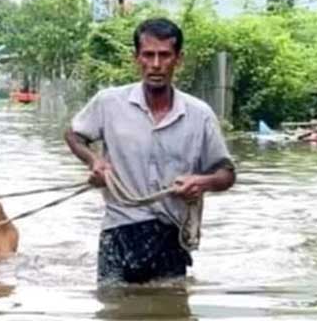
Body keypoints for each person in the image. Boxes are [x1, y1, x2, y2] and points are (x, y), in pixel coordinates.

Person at [64, 18, 236, 284]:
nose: (156, 64)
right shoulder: (109, 103)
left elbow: (226, 174)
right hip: (118, 232)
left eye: (165, 55)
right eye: (148, 55)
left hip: (171, 236)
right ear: (137, 58)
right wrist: (94, 161)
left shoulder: (199, 114)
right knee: (114, 308)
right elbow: (74, 135)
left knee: (169, 309)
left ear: (178, 59)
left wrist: (202, 182)